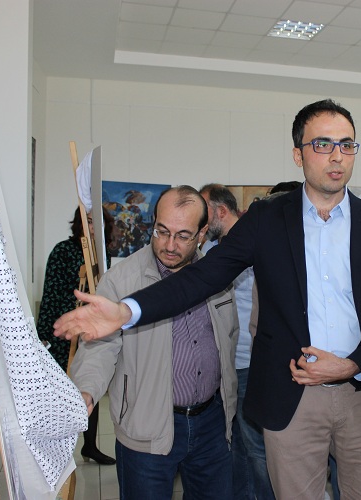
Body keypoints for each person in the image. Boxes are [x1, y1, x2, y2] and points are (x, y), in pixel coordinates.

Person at [54, 98, 361, 499]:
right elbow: (203, 276)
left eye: (347, 145)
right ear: (298, 154)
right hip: (293, 396)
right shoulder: (266, 220)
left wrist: (353, 364)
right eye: (323, 144)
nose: (337, 156)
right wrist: (127, 310)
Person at [69, 186, 239, 499]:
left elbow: (229, 337)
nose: (169, 245)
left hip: (210, 424)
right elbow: (100, 347)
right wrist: (86, 390)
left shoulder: (216, 278)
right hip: (146, 424)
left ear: (202, 233)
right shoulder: (121, 281)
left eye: (183, 236)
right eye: (162, 231)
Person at [199, 182, 274, 500]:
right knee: (236, 443)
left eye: (204, 214)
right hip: (226, 364)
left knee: (256, 448)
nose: (201, 223)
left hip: (249, 361)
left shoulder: (253, 244)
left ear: (220, 211)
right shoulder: (213, 250)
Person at [36, 206, 115, 465]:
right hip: (64, 332)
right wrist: (46, 335)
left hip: (90, 332)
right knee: (60, 393)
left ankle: (89, 446)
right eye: (89, 221)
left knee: (89, 386)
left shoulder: (102, 255)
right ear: (79, 223)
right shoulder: (62, 251)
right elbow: (51, 294)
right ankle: (54, 450)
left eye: (98, 222)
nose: (93, 227)